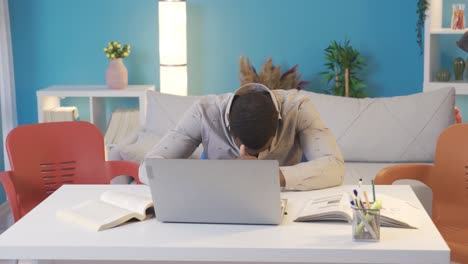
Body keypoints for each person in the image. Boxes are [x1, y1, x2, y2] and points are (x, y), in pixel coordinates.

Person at [140, 83, 344, 191]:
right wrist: (221, 174)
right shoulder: (205, 112)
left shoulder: (297, 108)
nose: (254, 158)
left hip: (285, 205)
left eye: (263, 151)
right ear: (230, 129)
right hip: (219, 204)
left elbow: (335, 167)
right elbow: (147, 167)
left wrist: (270, 174)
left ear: (276, 128)